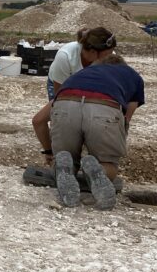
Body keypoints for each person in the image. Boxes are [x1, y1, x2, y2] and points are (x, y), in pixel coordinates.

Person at [50, 54, 145, 210]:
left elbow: (43, 115)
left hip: (65, 103)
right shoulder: (132, 75)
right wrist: (117, 140)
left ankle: (64, 168)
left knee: (64, 158)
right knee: (108, 163)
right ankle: (99, 170)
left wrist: (49, 150)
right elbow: (127, 116)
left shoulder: (83, 73)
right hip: (104, 106)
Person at [32, 27, 115, 164]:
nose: (111, 57)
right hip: (63, 87)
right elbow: (60, 97)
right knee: (58, 120)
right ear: (93, 52)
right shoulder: (65, 56)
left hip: (90, 88)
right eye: (107, 54)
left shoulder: (107, 56)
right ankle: (51, 154)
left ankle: (89, 158)